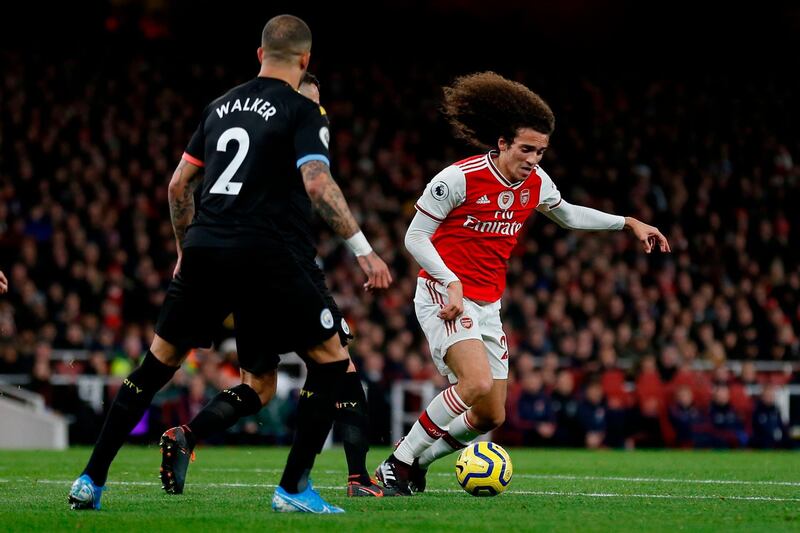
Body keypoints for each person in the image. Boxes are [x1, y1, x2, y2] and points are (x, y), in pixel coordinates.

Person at [69, 14, 392, 514]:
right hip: (268, 253)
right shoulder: (305, 108)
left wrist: (184, 249)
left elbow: (179, 185)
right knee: (332, 358)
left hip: (205, 247)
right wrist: (364, 249)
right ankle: (294, 488)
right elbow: (316, 183)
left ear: (260, 54)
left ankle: (90, 481)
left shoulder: (219, 106)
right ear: (305, 60)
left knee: (156, 366)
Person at [375, 71, 670, 494]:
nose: (534, 158)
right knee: (473, 384)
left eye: (542, 151)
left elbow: (567, 214)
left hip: (488, 303)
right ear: (502, 144)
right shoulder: (457, 178)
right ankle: (396, 464)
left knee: (490, 414)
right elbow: (414, 237)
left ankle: (418, 463)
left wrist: (627, 222)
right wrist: (450, 281)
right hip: (444, 293)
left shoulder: (535, 182)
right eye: (526, 149)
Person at [155, 70, 394, 499]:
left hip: (249, 275)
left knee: (259, 385)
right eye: (312, 102)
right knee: (340, 366)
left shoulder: (257, 146)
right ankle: (353, 478)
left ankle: (189, 433)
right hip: (290, 270)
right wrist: (362, 249)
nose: (317, 112)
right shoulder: (296, 142)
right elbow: (317, 190)